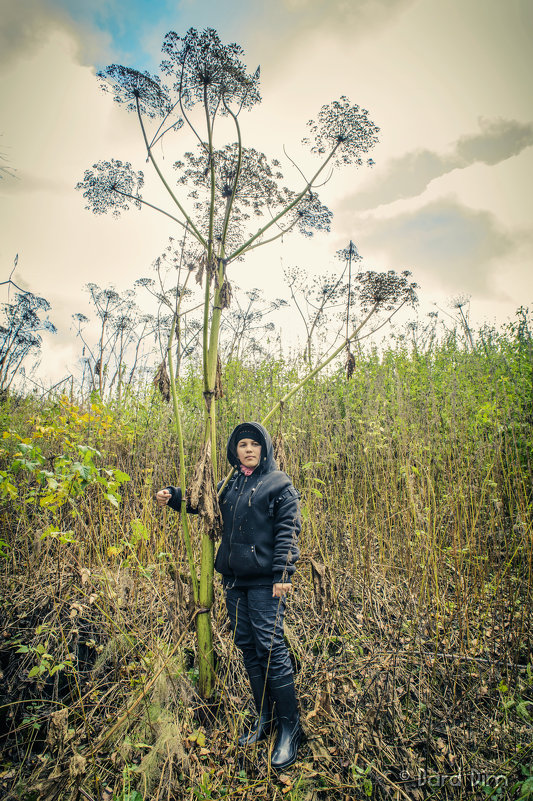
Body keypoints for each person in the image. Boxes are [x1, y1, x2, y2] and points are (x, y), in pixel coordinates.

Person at [156, 422, 302, 770]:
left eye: (254, 444)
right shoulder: (230, 483)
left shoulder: (278, 484)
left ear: (264, 448)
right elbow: (201, 502)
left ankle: (289, 728)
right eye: (242, 444)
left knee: (270, 647)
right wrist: (174, 496)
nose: (248, 449)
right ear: (234, 451)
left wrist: (284, 573)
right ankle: (264, 719)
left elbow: (288, 529)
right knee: (248, 647)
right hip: (235, 582)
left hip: (267, 583)